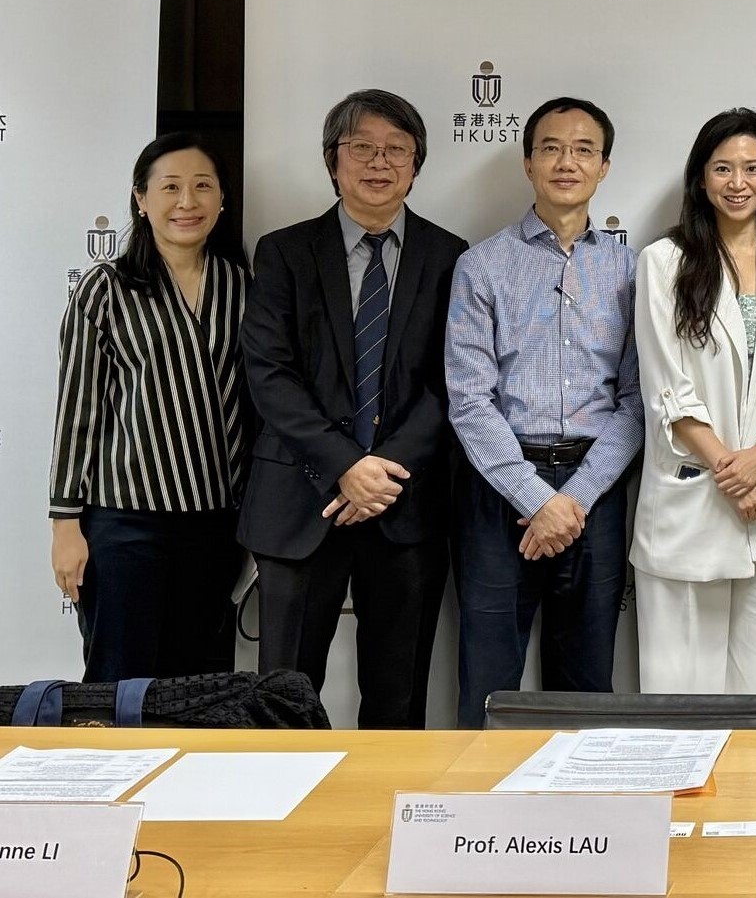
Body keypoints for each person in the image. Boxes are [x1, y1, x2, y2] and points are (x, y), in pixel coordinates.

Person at [241, 90, 466, 728]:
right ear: (332, 161)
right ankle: (283, 824)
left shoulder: (449, 257)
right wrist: (345, 465)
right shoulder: (284, 252)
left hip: (404, 503)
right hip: (301, 499)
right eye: (361, 147)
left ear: (416, 165)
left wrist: (382, 469)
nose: (379, 162)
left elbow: (452, 381)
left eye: (397, 150)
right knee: (285, 694)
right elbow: (271, 374)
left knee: (398, 699)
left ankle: (382, 825)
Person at [447, 96, 641, 729]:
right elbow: (470, 401)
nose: (567, 162)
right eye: (551, 148)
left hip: (597, 490)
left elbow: (636, 402)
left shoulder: (630, 269)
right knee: (489, 680)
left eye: (584, 149)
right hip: (499, 491)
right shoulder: (481, 265)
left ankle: (584, 821)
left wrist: (574, 500)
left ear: (605, 166)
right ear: (528, 163)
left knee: (586, 681)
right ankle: (477, 819)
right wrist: (536, 499)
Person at [50, 133, 251, 681]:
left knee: (194, 687)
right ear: (141, 198)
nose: (187, 202)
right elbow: (77, 411)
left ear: (222, 199)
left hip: (215, 524)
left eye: (202, 186)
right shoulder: (106, 288)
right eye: (170, 187)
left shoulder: (242, 285)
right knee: (119, 681)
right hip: (124, 524)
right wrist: (65, 526)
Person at [632, 109, 756, 693]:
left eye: (751, 168)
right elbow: (668, 385)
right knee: (680, 688)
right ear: (701, 178)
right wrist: (729, 468)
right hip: (695, 493)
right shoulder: (663, 262)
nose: (737, 182)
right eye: (722, 168)